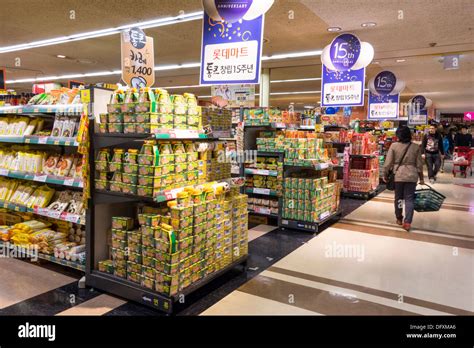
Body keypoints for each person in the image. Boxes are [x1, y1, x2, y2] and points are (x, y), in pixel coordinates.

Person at [383, 126, 424, 232]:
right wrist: (421, 178)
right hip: (412, 176)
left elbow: (388, 163)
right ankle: (408, 222)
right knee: (410, 199)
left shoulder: (394, 146)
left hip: (399, 175)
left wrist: (385, 174)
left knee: (399, 198)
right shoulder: (415, 147)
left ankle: (399, 218)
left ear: (398, 135)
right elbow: (419, 164)